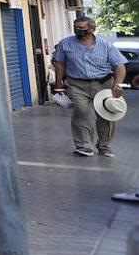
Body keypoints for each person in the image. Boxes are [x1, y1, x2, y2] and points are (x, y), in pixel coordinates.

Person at [52, 15, 128, 157]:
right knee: (81, 112)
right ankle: (84, 146)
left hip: (104, 84)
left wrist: (117, 84)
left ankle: (104, 146)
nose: (77, 30)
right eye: (75, 27)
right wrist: (59, 86)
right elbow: (59, 64)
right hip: (76, 84)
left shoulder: (105, 45)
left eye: (81, 28)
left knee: (106, 115)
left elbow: (120, 65)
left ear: (92, 29)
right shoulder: (65, 43)